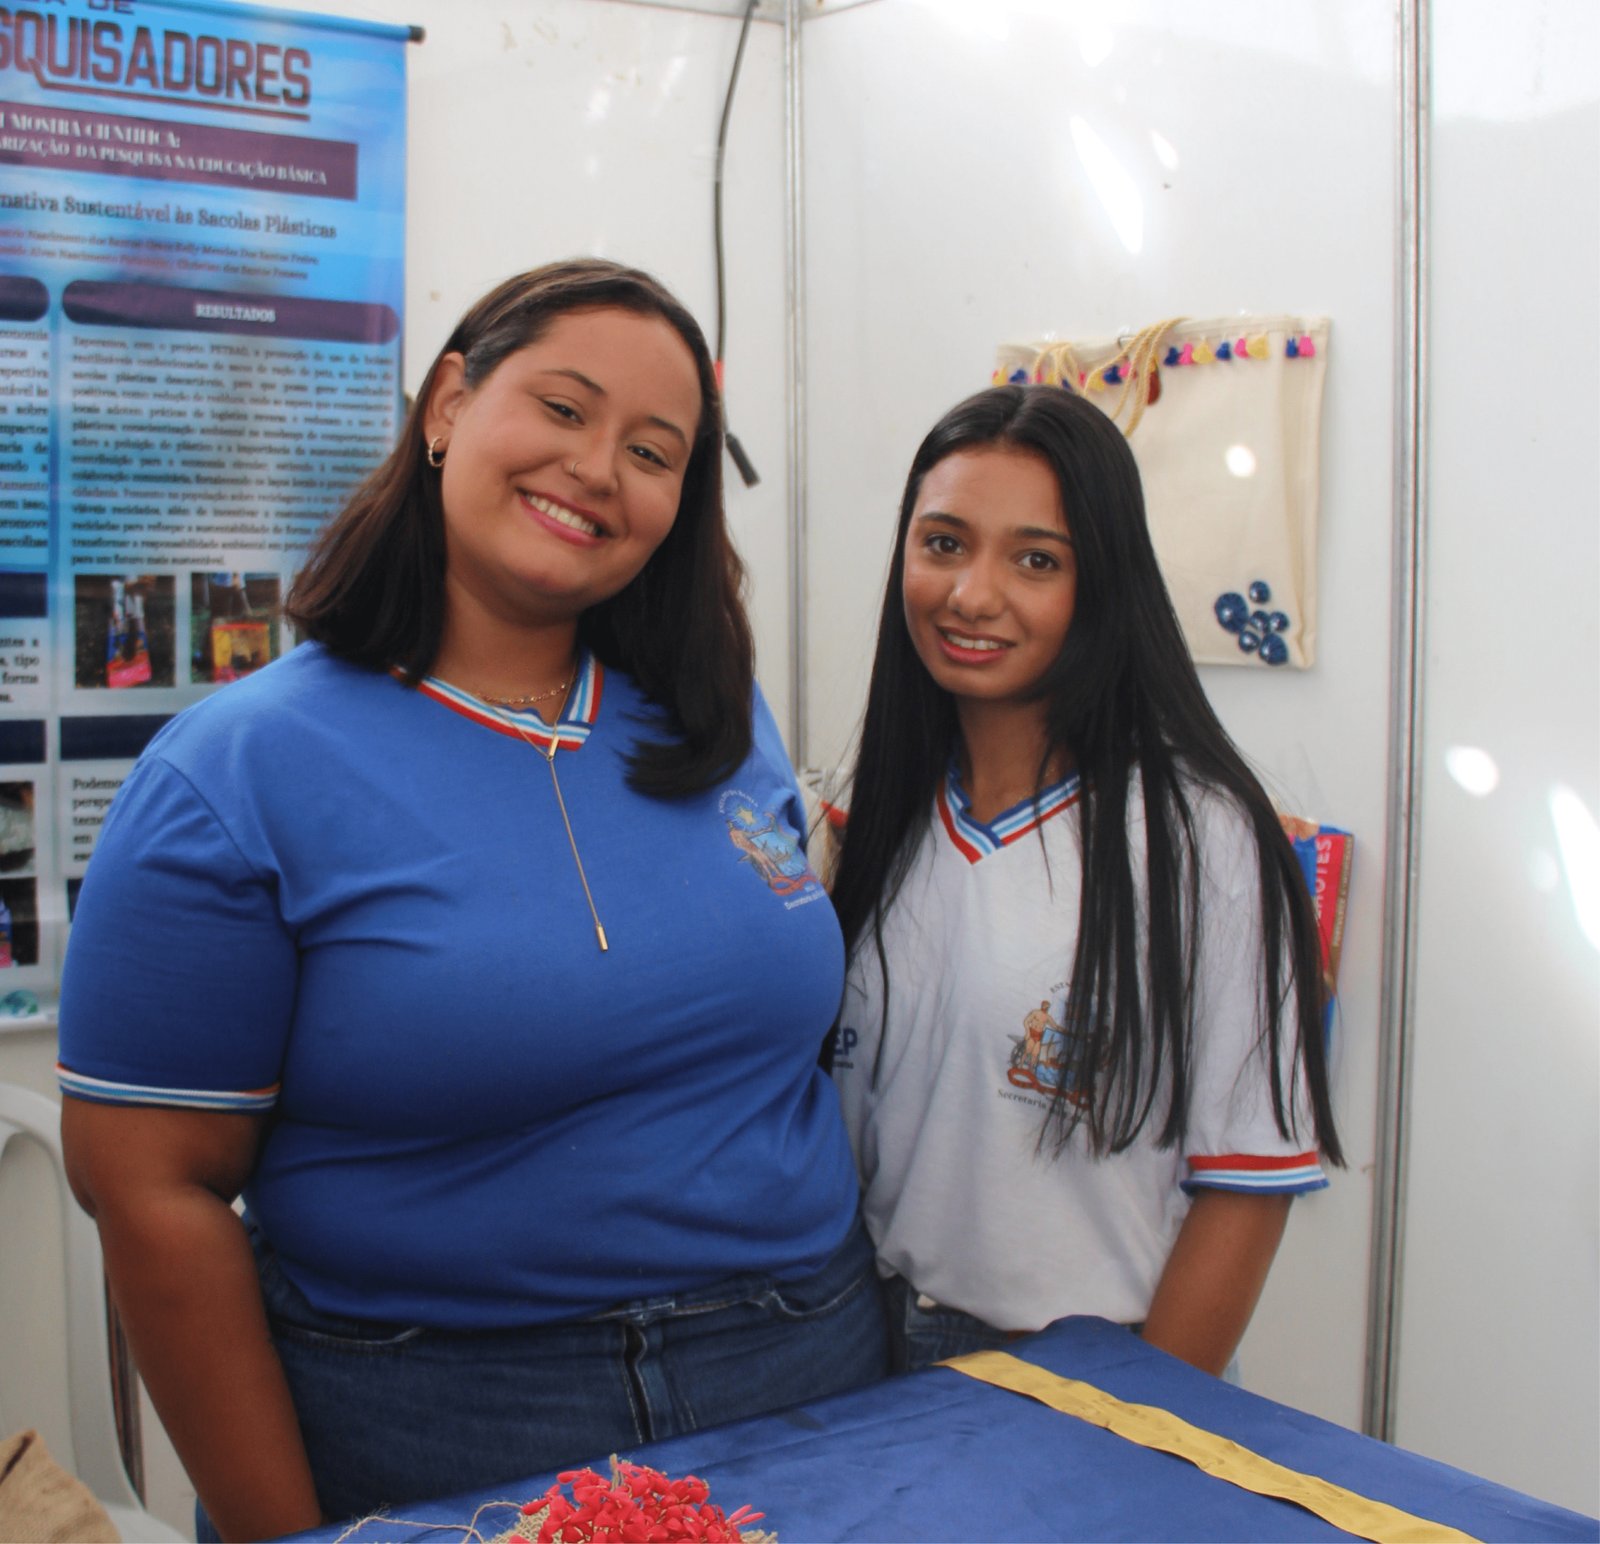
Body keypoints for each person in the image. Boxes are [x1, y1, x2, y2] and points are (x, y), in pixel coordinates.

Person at [57, 258, 886, 1541]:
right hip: (439, 1414)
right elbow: (150, 1192)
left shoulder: (719, 719)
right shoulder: (239, 770)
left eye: (654, 451)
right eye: (562, 409)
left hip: (803, 1378)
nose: (600, 468)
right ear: (448, 402)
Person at [828, 383, 1342, 1378]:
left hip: (1085, 1362)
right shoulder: (873, 811)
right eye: (942, 543)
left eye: (1034, 559)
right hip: (861, 1342)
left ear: (1102, 581)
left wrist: (1134, 1428)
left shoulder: (1204, 838)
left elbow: (1247, 1183)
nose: (972, 594)